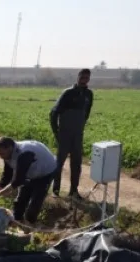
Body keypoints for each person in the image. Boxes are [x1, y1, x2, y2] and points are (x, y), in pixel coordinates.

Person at [50, 68, 95, 198]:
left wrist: (80, 127)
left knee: (76, 164)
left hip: (78, 135)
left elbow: (86, 113)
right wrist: (57, 133)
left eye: (86, 78)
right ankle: (55, 191)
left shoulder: (89, 95)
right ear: (78, 77)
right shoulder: (68, 93)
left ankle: (73, 191)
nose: (84, 80)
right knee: (59, 164)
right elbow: (53, 113)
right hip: (64, 134)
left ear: (89, 79)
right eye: (82, 77)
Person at [0, 137, 58, 224]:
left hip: (46, 172)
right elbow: (6, 178)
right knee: (20, 201)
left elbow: (17, 181)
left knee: (34, 203)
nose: (1, 157)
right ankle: (17, 221)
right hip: (30, 171)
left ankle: (29, 225)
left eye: (2, 154)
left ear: (10, 148)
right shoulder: (8, 155)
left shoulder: (24, 153)